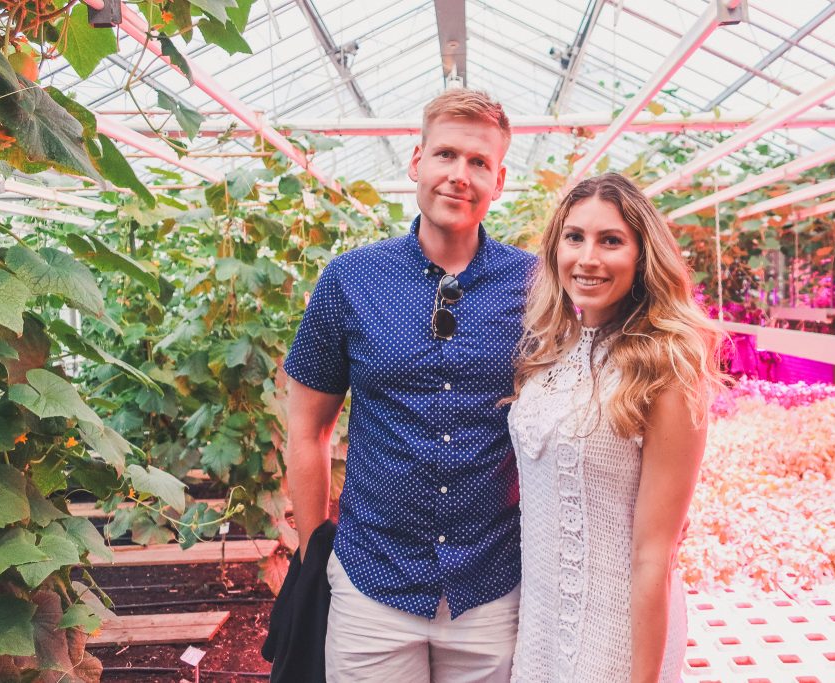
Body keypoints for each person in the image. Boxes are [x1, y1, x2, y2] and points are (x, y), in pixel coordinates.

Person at [283, 89, 535, 682]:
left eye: (479, 162)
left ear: (498, 182)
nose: (459, 175)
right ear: (416, 162)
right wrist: (311, 548)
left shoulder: (535, 285)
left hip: (492, 583)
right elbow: (307, 426)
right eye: (446, 155)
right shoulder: (350, 279)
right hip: (373, 579)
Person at [505, 173, 724, 682]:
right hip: (539, 630)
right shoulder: (550, 349)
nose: (588, 258)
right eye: (574, 237)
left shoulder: (667, 366)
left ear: (643, 255)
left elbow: (655, 554)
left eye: (611, 241)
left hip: (617, 640)